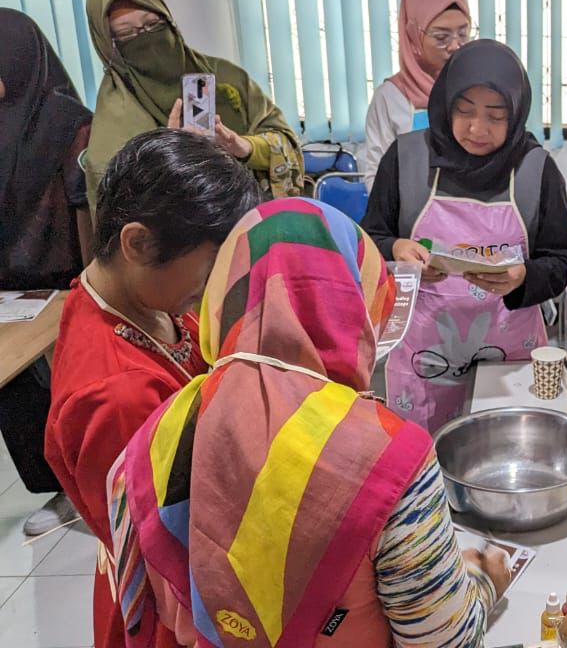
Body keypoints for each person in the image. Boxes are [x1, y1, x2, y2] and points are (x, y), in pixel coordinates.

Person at [107, 198, 511, 647]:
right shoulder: (393, 460)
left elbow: (140, 613)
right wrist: (484, 581)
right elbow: (443, 640)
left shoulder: (150, 442)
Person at [45, 129, 262, 648]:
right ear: (139, 243)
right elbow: (173, 547)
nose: (216, 286)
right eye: (212, 266)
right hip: (175, 603)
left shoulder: (139, 302)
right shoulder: (118, 396)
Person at [362, 40, 567, 433]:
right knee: (425, 467)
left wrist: (521, 278)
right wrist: (395, 250)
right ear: (445, 103)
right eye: (464, 112)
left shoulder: (535, 170)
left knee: (505, 456)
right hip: (424, 360)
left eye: (496, 117)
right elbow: (369, 238)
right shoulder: (406, 159)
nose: (477, 129)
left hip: (509, 356)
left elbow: (563, 259)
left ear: (516, 114)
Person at [82, 0, 302, 215]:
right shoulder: (115, 123)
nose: (146, 38)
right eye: (126, 34)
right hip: (183, 246)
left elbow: (285, 142)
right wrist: (172, 154)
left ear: (169, 20)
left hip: (254, 228)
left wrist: (243, 146)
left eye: (153, 24)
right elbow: (122, 216)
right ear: (107, 45)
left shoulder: (226, 78)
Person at [0, 9, 95, 535]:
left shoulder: (68, 121)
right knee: (16, 395)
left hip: (62, 280)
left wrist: (87, 286)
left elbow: (82, 206)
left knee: (69, 390)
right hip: (6, 289)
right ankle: (50, 483)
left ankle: (80, 483)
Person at [360, 0, 472, 186]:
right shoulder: (390, 97)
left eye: (463, 34)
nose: (456, 46)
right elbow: (377, 173)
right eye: (441, 38)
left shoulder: (476, 90)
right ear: (413, 37)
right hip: (410, 214)